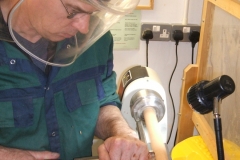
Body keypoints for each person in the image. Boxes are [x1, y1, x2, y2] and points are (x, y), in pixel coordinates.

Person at [0, 0, 150, 159]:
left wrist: (121, 133)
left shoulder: (95, 38)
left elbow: (102, 101)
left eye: (91, 13)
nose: (83, 27)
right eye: (73, 11)